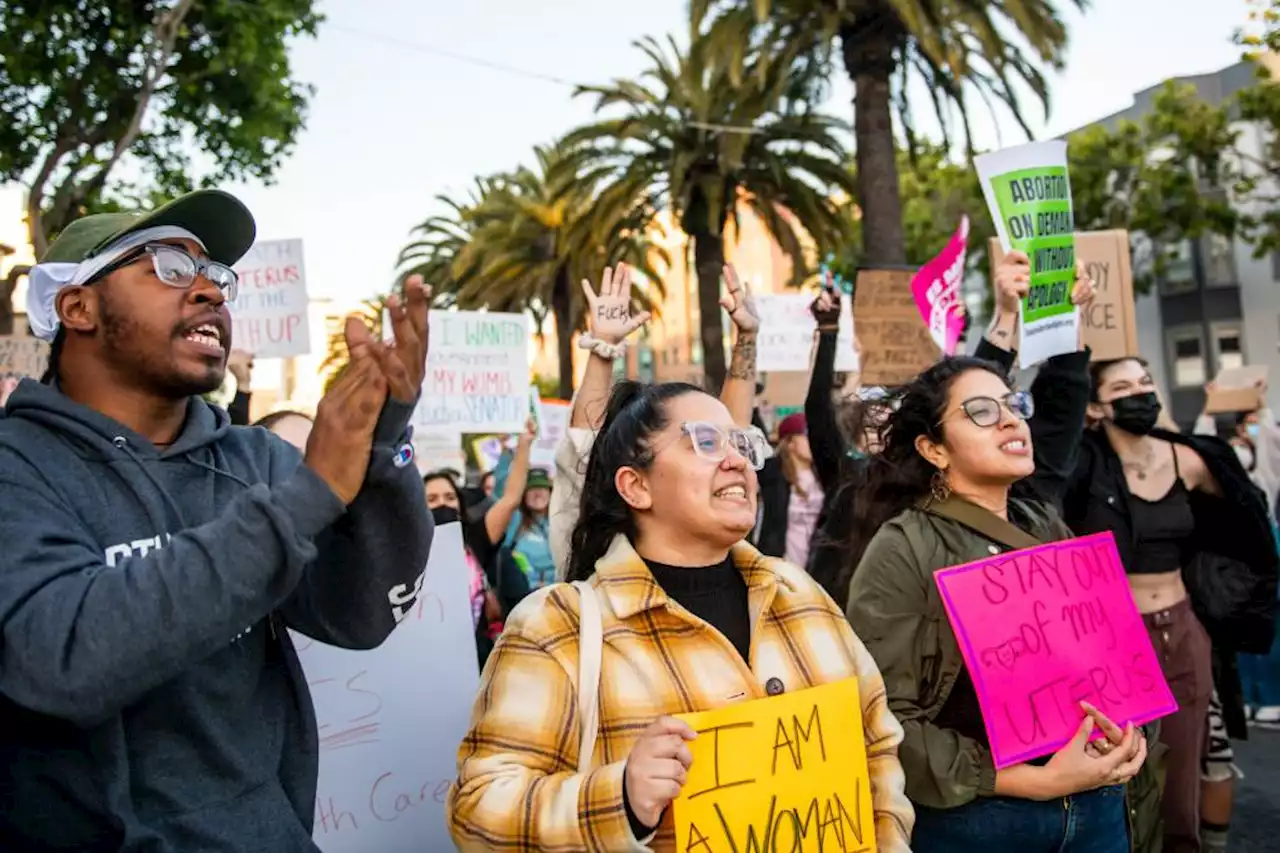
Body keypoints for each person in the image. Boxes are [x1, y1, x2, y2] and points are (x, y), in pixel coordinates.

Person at [0, 190, 435, 851]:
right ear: (76, 305)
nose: (209, 290)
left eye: (218, 277)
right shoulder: (17, 465)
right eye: (169, 266)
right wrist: (303, 497)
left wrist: (381, 443)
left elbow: (363, 612)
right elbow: (61, 657)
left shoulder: (254, 459)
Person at [448, 381, 914, 851]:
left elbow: (876, 745)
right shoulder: (558, 625)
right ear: (636, 485)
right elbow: (478, 812)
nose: (735, 460)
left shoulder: (800, 596)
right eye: (706, 442)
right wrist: (621, 798)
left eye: (741, 443)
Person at [1062, 357, 1278, 853]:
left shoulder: (1192, 459)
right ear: (1097, 405)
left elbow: (1244, 520)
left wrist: (1227, 593)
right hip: (1115, 637)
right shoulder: (1084, 466)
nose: (1140, 394)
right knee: (1122, 763)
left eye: (1145, 382)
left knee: (1185, 766)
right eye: (1122, 387)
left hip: (1182, 628)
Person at [423, 471, 511, 668]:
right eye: (432, 499)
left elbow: (511, 499)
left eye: (450, 497)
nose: (442, 504)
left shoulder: (475, 540)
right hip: (426, 661)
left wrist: (524, 445)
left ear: (460, 506)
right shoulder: (403, 550)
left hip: (475, 658)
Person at [754, 412, 824, 566]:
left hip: (816, 565)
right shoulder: (774, 472)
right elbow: (756, 442)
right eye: (807, 434)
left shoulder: (823, 474)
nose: (814, 440)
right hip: (782, 564)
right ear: (790, 442)